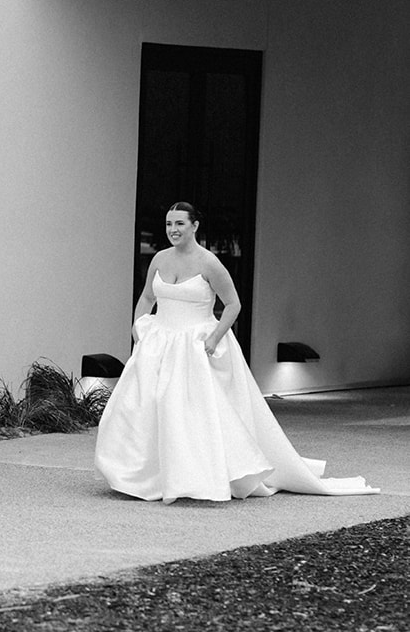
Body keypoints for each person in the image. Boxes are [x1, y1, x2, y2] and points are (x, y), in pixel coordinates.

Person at [94, 201, 378, 503]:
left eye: (179, 223)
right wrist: (139, 330)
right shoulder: (159, 260)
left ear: (195, 226)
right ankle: (147, 476)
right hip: (159, 344)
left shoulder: (209, 263)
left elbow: (233, 304)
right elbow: (147, 296)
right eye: (168, 224)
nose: (173, 230)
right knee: (146, 408)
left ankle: (198, 475)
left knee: (191, 413)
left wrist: (214, 338)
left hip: (197, 345)